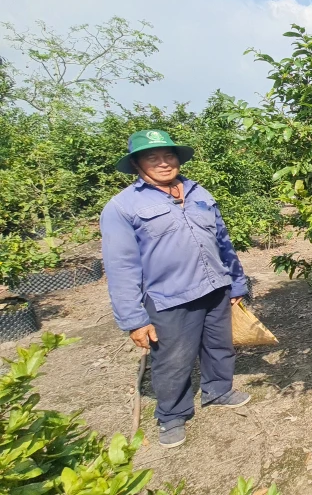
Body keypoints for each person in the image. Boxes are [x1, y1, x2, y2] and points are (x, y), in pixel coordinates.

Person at [100, 129, 251, 448]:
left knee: (219, 346)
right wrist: (134, 319)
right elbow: (121, 265)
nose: (164, 163)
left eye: (168, 155)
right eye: (152, 157)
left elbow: (223, 240)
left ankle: (218, 390)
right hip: (169, 297)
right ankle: (171, 416)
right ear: (137, 164)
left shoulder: (200, 193)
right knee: (172, 358)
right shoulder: (123, 207)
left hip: (215, 287)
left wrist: (237, 281)